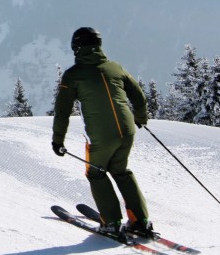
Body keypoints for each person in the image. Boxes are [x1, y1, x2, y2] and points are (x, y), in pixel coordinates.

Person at [51, 26, 154, 241]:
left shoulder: (73, 75)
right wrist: (141, 118)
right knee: (121, 171)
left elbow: (62, 113)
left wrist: (57, 141)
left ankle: (111, 223)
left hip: (101, 137)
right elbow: (139, 97)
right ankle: (140, 222)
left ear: (76, 47)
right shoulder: (115, 67)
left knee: (96, 172)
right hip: (127, 131)